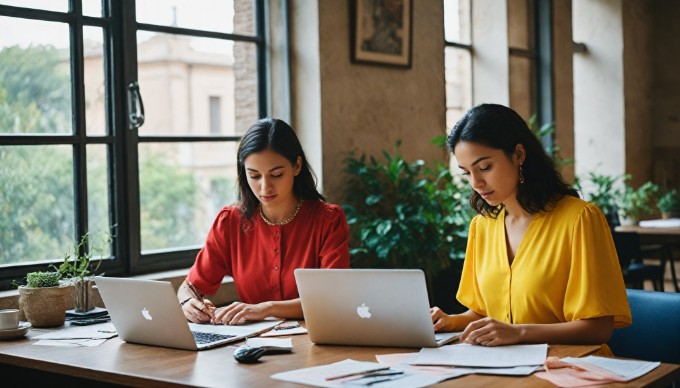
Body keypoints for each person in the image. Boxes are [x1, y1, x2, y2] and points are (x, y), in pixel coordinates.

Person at [431, 103, 631, 347]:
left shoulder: (580, 219)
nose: (476, 182)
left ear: (518, 155)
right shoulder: (482, 227)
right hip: (504, 368)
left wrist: (520, 333)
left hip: (570, 368)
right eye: (467, 173)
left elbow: (598, 328)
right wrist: (450, 321)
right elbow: (485, 313)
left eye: (484, 167)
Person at [178, 118, 350, 325]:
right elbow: (190, 286)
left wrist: (266, 308)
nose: (264, 187)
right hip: (250, 344)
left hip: (312, 342)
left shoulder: (328, 220)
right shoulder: (230, 222)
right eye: (254, 176)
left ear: (296, 166)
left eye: (276, 175)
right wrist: (188, 302)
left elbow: (332, 297)